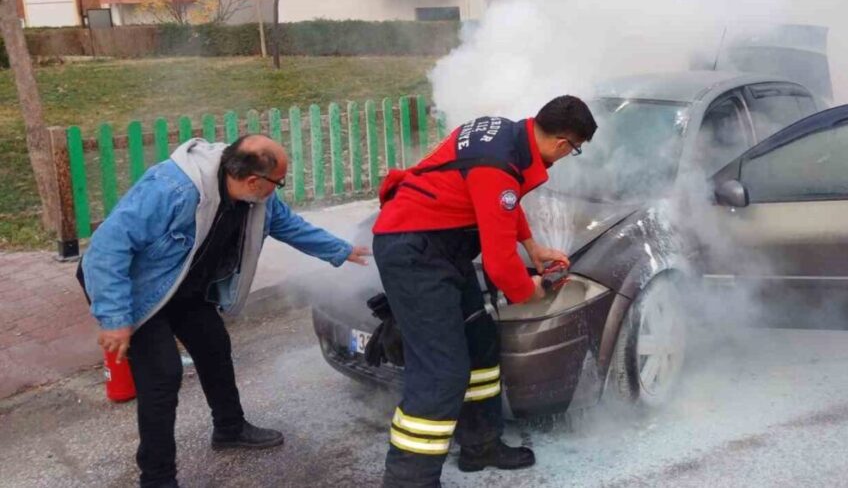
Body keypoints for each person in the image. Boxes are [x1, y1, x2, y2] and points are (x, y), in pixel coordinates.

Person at [80, 134, 370, 488]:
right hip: (135, 290)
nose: (278, 189)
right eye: (278, 181)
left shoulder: (257, 199)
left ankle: (229, 428)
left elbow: (288, 226)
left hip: (181, 286)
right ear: (254, 181)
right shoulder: (172, 188)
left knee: (214, 345)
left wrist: (341, 250)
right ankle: (157, 479)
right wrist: (115, 318)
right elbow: (106, 249)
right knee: (162, 377)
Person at [372, 95, 598, 487]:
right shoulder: (498, 167)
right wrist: (529, 291)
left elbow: (503, 203)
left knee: (479, 342)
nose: (568, 156)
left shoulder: (505, 136)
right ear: (564, 144)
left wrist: (532, 248)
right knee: (441, 373)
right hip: (415, 252)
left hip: (439, 245)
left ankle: (481, 445)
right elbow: (499, 264)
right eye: (574, 149)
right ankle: (408, 480)